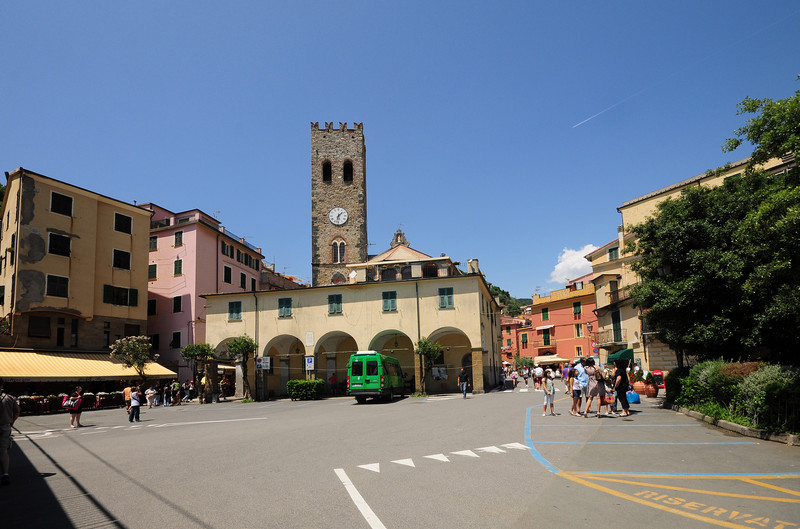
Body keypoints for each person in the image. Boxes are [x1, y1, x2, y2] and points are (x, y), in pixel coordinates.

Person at [0, 378, 21, 486]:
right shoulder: (9, 398)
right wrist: (12, 422)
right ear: (2, 386)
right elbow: (17, 412)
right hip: (5, 426)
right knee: (3, 450)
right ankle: (5, 474)